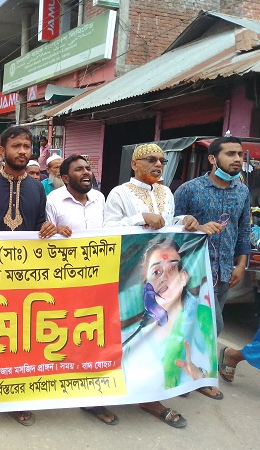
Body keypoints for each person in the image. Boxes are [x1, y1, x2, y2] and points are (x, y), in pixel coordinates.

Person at [103, 142, 201, 428]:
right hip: (129, 276)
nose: (158, 164)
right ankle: (114, 387)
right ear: (135, 164)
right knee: (126, 332)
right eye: (151, 159)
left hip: (163, 277)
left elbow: (168, 225)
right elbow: (105, 230)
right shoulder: (120, 193)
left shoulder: (166, 192)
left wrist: (184, 221)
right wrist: (139, 219)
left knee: (160, 332)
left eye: (161, 160)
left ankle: (150, 394)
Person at [0, 126, 56, 427]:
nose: (22, 151)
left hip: (24, 276)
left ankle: (15, 396)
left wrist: (48, 228)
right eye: (16, 146)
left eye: (26, 146)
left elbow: (39, 223)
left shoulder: (37, 188)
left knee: (20, 337)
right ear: (2, 149)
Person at [45, 155, 118, 425]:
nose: (86, 173)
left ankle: (91, 395)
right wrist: (53, 231)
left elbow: (112, 231)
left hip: (99, 279)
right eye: (79, 170)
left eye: (88, 168)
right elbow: (41, 236)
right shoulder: (53, 200)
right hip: (64, 280)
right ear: (65, 178)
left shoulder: (100, 198)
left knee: (93, 335)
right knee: (64, 335)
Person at [121, 237, 216, 427]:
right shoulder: (132, 334)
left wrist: (197, 376)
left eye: (172, 269)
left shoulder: (201, 320)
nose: (164, 278)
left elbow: (206, 364)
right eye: (156, 272)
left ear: (184, 276)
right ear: (145, 281)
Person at [174, 136, 250, 338]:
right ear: (212, 159)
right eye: (230, 154)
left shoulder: (242, 192)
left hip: (224, 270)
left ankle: (194, 358)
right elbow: (172, 228)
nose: (237, 159)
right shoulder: (189, 190)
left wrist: (241, 264)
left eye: (239, 154)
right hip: (194, 270)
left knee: (201, 329)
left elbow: (243, 229)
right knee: (214, 325)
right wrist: (198, 227)